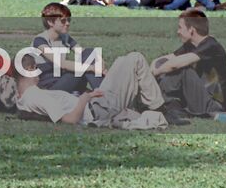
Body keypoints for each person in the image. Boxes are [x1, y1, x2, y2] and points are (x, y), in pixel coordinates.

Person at [16, 50, 167, 129]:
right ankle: (159, 107)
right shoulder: (35, 96)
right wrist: (85, 98)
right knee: (135, 58)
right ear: (29, 69)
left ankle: (153, 107)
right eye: (36, 68)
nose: (39, 73)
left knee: (122, 61)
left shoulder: (23, 99)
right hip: (97, 109)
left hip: (97, 105)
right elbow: (69, 120)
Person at [152, 9, 226, 120]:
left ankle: (169, 105)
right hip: (201, 96)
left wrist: (154, 73)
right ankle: (170, 105)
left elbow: (175, 65)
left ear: (191, 30)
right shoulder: (191, 45)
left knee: (182, 69)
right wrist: (154, 64)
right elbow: (167, 58)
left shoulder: (211, 45)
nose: (178, 31)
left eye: (180, 27)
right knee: (163, 64)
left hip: (215, 104)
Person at [31, 3, 102, 93]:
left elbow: (84, 53)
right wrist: (91, 68)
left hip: (63, 80)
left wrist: (99, 62)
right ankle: (103, 96)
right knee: (79, 70)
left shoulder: (65, 38)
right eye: (63, 21)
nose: (67, 23)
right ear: (50, 22)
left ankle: (101, 93)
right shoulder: (40, 40)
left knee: (89, 52)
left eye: (69, 20)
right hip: (49, 87)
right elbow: (61, 64)